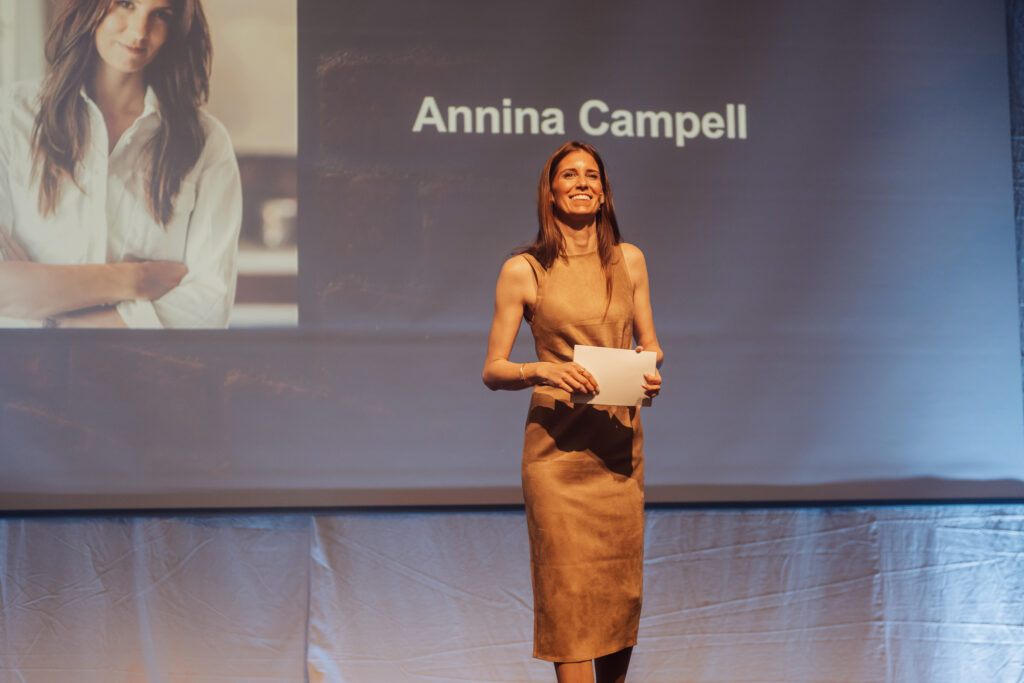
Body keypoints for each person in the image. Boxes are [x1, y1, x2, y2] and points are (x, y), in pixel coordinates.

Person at [482, 140, 663, 683]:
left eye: (591, 175)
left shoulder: (630, 260)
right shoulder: (524, 269)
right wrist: (541, 370)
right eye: (569, 174)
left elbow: (652, 345)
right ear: (551, 191)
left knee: (617, 594)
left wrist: (648, 371)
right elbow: (493, 369)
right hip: (556, 457)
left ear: (603, 193)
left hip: (616, 449)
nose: (581, 182)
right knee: (568, 598)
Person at [0, 0, 241, 328]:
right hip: (26, 362)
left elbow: (210, 306)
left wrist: (63, 325)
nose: (140, 31)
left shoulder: (207, 142)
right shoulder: (10, 117)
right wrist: (133, 280)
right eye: (126, 4)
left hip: (137, 364)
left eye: (160, 15)